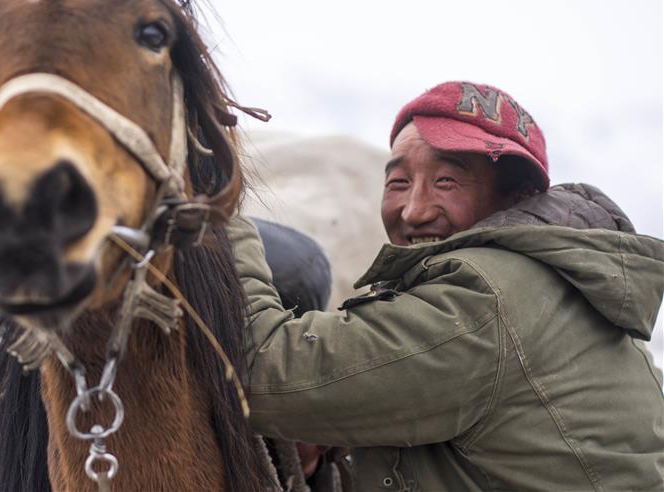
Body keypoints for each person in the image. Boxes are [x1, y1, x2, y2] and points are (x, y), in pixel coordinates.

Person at [231, 81, 664, 491]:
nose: (414, 210)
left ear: (519, 198)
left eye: (446, 182)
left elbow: (266, 371)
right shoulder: (564, 292)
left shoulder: (486, 298)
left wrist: (218, 214)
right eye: (398, 183)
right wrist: (343, 426)